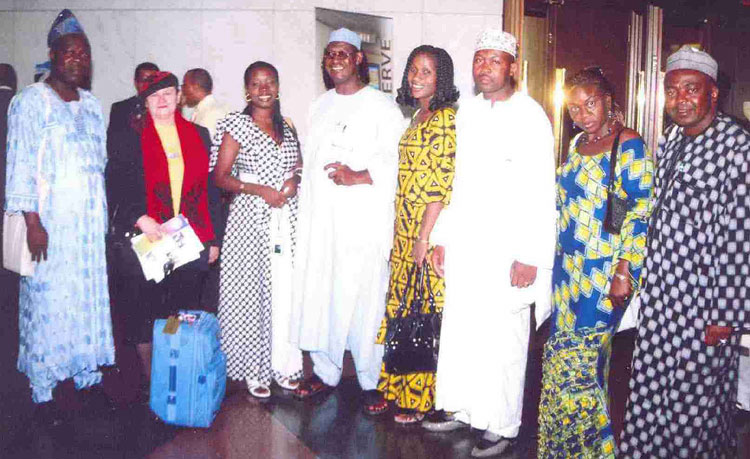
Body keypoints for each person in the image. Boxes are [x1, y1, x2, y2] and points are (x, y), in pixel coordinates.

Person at [424, 28, 556, 457]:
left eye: (494, 60)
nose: (485, 67)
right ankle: (463, 408)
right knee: (463, 330)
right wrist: (442, 238)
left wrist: (531, 256)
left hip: (509, 248)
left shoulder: (531, 116)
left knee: (503, 338)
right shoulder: (468, 112)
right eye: (479, 59)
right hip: (468, 241)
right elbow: (458, 182)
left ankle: (501, 424)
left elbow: (542, 190)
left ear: (512, 67)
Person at [620, 46, 750, 458]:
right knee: (649, 390)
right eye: (673, 91)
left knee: (695, 405)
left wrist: (724, 315)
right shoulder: (671, 139)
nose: (680, 100)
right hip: (661, 299)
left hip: (703, 307)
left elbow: (741, 237)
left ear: (713, 92)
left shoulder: (737, 148)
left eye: (691, 89)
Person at [536, 67, 654, 458]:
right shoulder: (577, 144)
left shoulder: (629, 144)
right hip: (567, 271)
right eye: (574, 108)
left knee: (581, 368)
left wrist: (625, 271)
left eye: (590, 104)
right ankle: (561, 449)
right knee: (560, 361)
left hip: (603, 273)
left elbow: (641, 212)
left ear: (607, 101)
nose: (583, 114)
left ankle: (595, 452)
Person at [4, 9, 115, 415]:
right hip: (50, 225)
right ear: (52, 55)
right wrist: (33, 222)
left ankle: (84, 371)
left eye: (84, 54)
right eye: (70, 52)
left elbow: (99, 165)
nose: (78, 60)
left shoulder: (93, 105)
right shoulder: (31, 102)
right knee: (49, 301)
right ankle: (44, 383)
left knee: (85, 298)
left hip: (88, 226)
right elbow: (20, 164)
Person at [290, 27, 404, 415]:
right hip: (323, 223)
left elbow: (396, 161)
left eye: (344, 53)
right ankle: (326, 372)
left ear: (358, 59)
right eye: (330, 53)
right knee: (322, 294)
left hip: (363, 223)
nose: (336, 60)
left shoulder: (382, 107)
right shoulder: (318, 106)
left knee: (365, 300)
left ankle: (371, 380)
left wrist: (358, 175)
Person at [105, 71, 223, 387]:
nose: (162, 100)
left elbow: (210, 190)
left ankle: (171, 365)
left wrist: (213, 238)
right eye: (154, 95)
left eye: (168, 93)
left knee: (177, 306)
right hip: (147, 235)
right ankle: (150, 377)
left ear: (179, 97)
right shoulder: (130, 137)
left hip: (188, 238)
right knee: (145, 307)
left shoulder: (199, 135)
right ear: (145, 102)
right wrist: (139, 217)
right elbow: (115, 183)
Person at [375, 45, 458, 425]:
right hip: (404, 228)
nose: (416, 77)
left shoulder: (444, 120)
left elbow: (441, 186)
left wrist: (424, 238)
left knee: (424, 312)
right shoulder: (417, 117)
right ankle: (399, 389)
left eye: (426, 71)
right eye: (413, 69)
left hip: (426, 229)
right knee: (405, 309)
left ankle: (425, 399)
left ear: (441, 78)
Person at [210, 61, 303, 398]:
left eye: (270, 82)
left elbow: (297, 164)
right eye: (256, 84)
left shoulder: (286, 126)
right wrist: (259, 189)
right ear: (246, 90)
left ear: (278, 86)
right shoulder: (236, 125)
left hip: (286, 219)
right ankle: (255, 369)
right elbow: (220, 177)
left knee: (285, 292)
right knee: (253, 294)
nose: (264, 90)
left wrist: (295, 179)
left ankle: (285, 365)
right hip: (250, 219)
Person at [107, 62, 159, 157]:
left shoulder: (166, 108)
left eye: (152, 81)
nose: (148, 85)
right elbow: (113, 148)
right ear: (136, 83)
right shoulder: (120, 109)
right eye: (144, 80)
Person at [182, 68, 230, 139]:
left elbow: (203, 143)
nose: (183, 90)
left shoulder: (212, 113)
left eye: (185, 86)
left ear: (195, 87)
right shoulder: (202, 110)